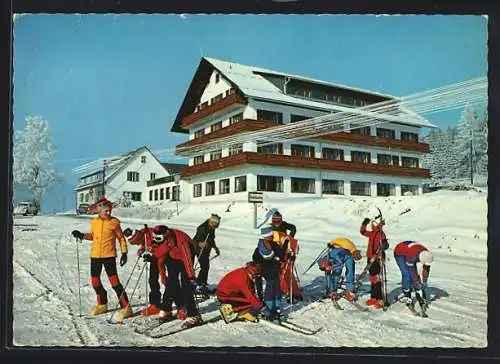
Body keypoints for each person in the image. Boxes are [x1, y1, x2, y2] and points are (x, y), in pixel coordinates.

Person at [71, 197, 133, 321]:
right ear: (99, 210)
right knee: (95, 282)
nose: (109, 213)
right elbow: (93, 236)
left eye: (110, 210)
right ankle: (102, 304)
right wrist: (82, 235)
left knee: (114, 282)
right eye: (106, 211)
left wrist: (124, 253)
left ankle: (126, 308)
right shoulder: (94, 222)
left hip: (109, 255)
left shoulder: (114, 222)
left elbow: (121, 238)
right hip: (95, 256)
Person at [150, 225, 203, 328]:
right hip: (172, 255)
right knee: (171, 282)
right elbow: (160, 259)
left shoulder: (181, 240)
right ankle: (167, 309)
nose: (157, 241)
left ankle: (194, 314)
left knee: (185, 284)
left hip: (186, 256)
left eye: (159, 238)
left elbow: (187, 259)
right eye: (155, 238)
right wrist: (162, 274)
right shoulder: (164, 242)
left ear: (166, 235)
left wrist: (191, 277)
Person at [123, 226, 170, 316]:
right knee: (152, 280)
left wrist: (162, 274)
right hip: (156, 256)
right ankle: (155, 305)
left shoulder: (151, 235)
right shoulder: (142, 235)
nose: (137, 244)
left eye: (137, 243)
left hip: (166, 255)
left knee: (167, 279)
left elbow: (158, 249)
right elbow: (145, 245)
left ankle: (177, 301)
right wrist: (142, 250)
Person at [252, 226, 287, 320]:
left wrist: (286, 246)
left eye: (272, 235)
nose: (272, 236)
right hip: (266, 270)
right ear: (265, 236)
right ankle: (269, 307)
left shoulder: (274, 244)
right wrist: (260, 266)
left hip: (274, 269)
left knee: (276, 287)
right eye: (270, 235)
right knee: (271, 286)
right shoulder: (260, 247)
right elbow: (256, 259)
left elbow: (281, 254)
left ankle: (276, 307)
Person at [269, 211, 301, 302]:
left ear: (281, 220)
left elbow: (293, 228)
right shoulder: (270, 228)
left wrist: (290, 238)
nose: (277, 224)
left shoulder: (284, 225)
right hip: (276, 251)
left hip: (287, 251)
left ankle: (294, 292)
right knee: (278, 272)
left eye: (278, 221)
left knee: (286, 272)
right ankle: (284, 289)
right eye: (275, 222)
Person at [360, 215, 389, 309]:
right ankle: (373, 298)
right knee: (372, 278)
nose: (371, 226)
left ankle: (380, 299)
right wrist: (364, 223)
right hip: (370, 258)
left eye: (373, 224)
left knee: (377, 279)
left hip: (377, 258)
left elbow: (385, 244)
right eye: (371, 224)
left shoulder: (381, 233)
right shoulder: (372, 233)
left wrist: (385, 244)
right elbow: (362, 232)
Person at [393, 241, 433, 306]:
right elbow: (412, 271)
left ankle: (414, 287)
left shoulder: (427, 254)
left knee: (414, 276)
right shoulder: (412, 256)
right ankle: (406, 293)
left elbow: (426, 269)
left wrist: (424, 282)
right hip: (399, 253)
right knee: (407, 275)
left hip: (410, 250)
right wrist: (417, 283)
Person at [191, 214, 221, 294]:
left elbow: (211, 239)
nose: (216, 227)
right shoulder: (203, 228)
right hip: (199, 250)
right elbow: (194, 241)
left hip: (206, 250)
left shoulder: (211, 228)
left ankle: (202, 283)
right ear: (211, 222)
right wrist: (200, 243)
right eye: (216, 225)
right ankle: (200, 284)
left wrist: (215, 247)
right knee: (204, 267)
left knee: (206, 267)